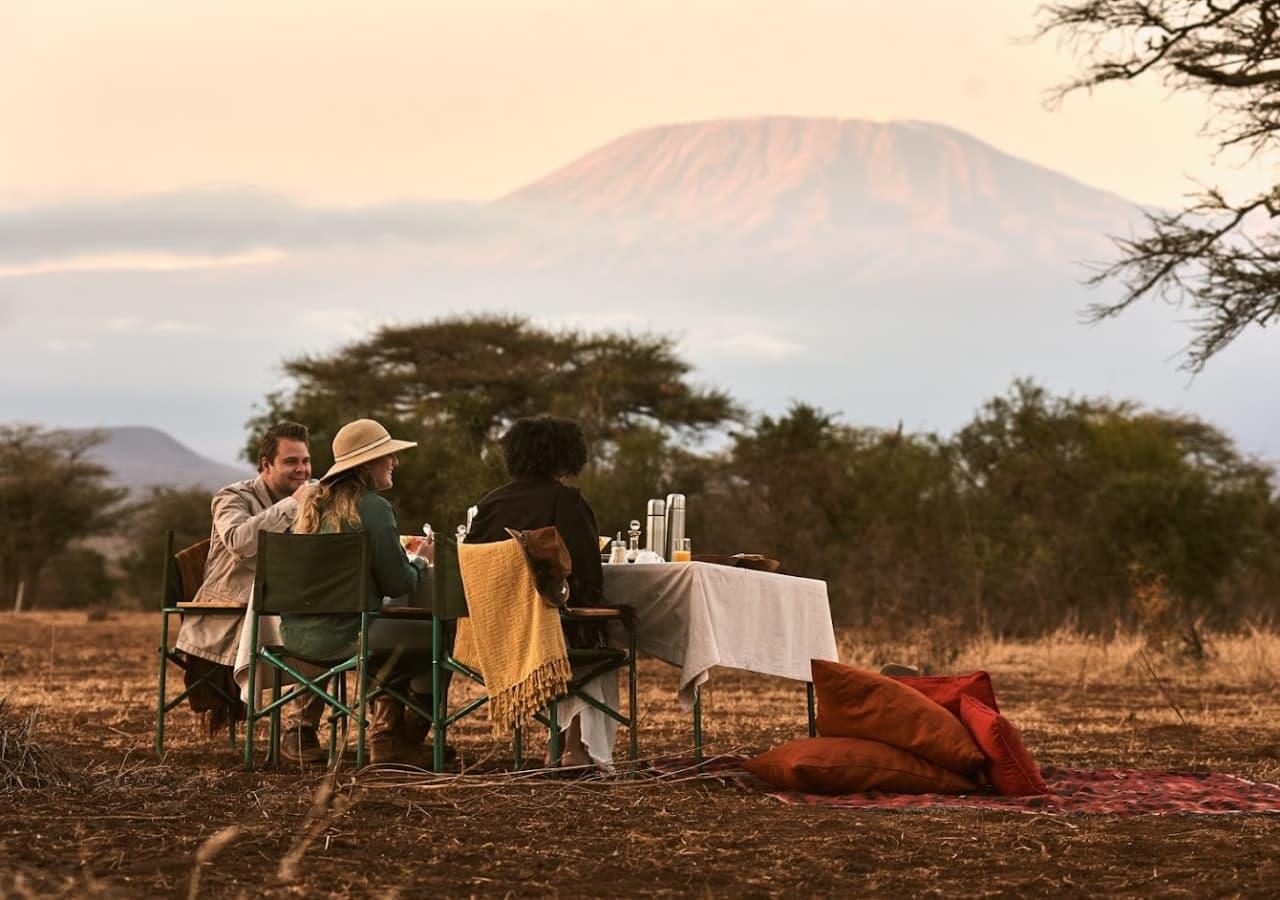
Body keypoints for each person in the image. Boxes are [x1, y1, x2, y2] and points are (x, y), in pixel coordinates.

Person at [287, 417, 435, 765]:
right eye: (388, 456)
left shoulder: (313, 507)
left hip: (296, 638)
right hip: (351, 637)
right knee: (436, 636)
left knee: (394, 639)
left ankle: (384, 738)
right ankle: (398, 739)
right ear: (368, 464)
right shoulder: (373, 508)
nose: (394, 462)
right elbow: (398, 583)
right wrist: (421, 561)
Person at [177, 421, 327, 761]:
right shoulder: (232, 497)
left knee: (329, 618)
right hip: (232, 610)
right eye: (291, 461)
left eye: (305, 461)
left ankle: (300, 730)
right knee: (313, 623)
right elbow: (238, 542)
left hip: (289, 604)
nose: (302, 469)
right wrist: (293, 505)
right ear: (265, 465)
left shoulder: (315, 497)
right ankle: (299, 728)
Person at [466, 415, 609, 768]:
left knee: (561, 624)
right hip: (550, 636)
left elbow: (470, 567)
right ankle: (575, 748)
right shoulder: (566, 500)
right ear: (566, 456)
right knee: (586, 632)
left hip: (496, 636)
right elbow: (589, 574)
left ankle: (557, 745)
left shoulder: (490, 503)